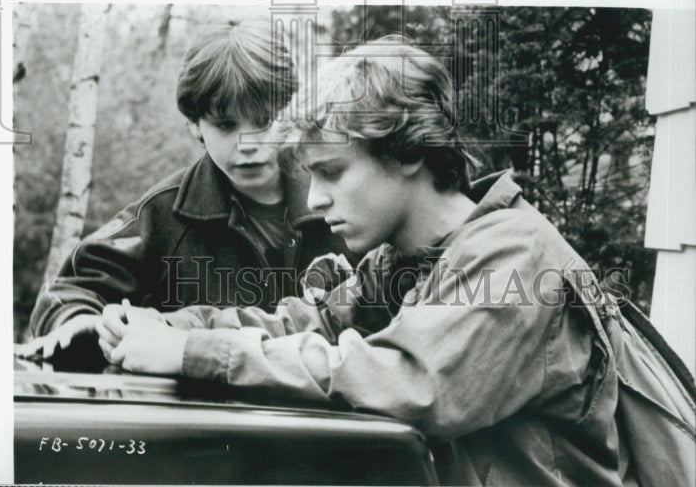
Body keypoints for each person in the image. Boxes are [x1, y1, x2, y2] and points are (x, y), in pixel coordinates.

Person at [94, 37, 650, 485]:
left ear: (406, 151)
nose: (312, 200)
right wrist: (170, 326)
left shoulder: (516, 257)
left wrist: (199, 355)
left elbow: (407, 383)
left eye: (331, 171)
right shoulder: (403, 260)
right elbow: (311, 323)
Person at [20, 19, 350, 360]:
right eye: (225, 124)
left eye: (265, 121)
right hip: (204, 408)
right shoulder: (164, 214)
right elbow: (71, 291)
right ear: (195, 126)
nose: (247, 143)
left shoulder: (342, 202)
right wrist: (83, 321)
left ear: (292, 113)